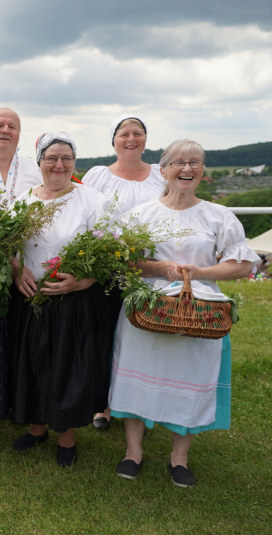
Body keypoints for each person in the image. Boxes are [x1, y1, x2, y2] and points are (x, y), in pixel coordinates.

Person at [108, 140, 258, 487]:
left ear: (202, 171)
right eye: (178, 163)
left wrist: (198, 273)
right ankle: (133, 452)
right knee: (137, 376)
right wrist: (160, 267)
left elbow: (242, 265)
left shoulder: (218, 215)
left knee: (191, 380)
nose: (186, 169)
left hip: (198, 311)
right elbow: (123, 261)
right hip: (146, 310)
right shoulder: (141, 215)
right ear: (164, 170)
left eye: (195, 163)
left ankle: (179, 458)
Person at [7, 133, 112, 467]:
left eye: (66, 158)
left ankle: (66, 437)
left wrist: (81, 282)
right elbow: (9, 245)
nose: (59, 165)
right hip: (31, 296)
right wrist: (15, 268)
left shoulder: (91, 200)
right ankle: (37, 428)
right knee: (34, 361)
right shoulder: (24, 200)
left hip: (73, 299)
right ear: (39, 162)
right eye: (51, 158)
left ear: (74, 163)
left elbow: (110, 253)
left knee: (68, 366)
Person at [82, 114, 166, 430]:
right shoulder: (98, 176)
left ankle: (142, 404)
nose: (131, 139)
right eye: (124, 133)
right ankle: (102, 404)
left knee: (146, 337)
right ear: (113, 140)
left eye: (138, 133)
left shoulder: (162, 175)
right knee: (105, 334)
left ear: (146, 139)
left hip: (149, 270)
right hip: (108, 271)